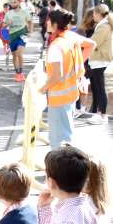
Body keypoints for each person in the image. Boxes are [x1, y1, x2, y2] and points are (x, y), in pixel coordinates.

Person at [40, 9, 94, 149]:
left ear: (54, 24)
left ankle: (62, 168)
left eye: (48, 20)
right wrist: (79, 63)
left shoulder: (56, 46)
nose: (46, 22)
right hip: (71, 94)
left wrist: (41, 89)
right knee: (66, 134)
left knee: (59, 140)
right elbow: (91, 44)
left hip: (59, 98)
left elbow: (57, 76)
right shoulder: (70, 36)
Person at [86, 5, 113, 123]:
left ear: (99, 14)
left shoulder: (103, 27)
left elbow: (93, 41)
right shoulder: (103, 25)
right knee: (97, 87)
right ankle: (99, 113)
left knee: (100, 87)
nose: (93, 16)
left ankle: (102, 114)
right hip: (98, 59)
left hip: (100, 59)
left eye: (94, 14)